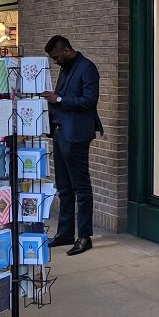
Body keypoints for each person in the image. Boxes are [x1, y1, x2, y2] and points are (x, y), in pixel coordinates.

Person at [42, 36, 103, 256]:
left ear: (67, 50)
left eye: (56, 57)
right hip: (60, 133)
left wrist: (58, 100)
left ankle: (84, 237)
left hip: (76, 135)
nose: (55, 61)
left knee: (81, 187)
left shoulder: (87, 68)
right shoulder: (66, 67)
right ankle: (65, 233)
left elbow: (89, 100)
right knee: (64, 187)